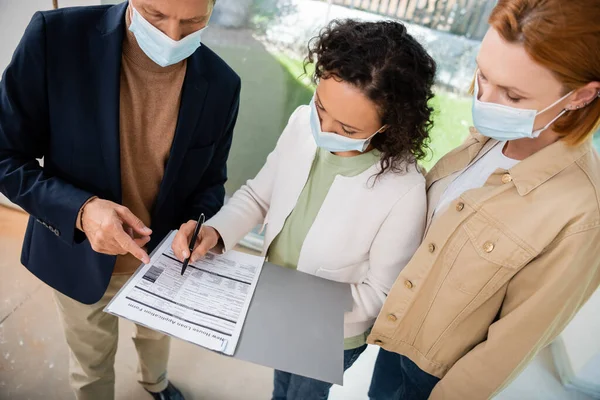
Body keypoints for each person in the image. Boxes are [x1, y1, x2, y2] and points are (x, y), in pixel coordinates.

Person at [172, 19, 436, 400]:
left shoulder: (404, 191)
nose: (323, 130)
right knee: (282, 387)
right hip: (275, 305)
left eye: (346, 130)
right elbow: (258, 197)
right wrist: (215, 232)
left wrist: (286, 303)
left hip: (333, 334)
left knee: (304, 394)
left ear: (391, 128)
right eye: (320, 106)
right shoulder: (301, 123)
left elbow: (379, 294)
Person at [0, 1, 241, 399]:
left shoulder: (222, 83)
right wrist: (80, 211)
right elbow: (7, 156)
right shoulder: (56, 39)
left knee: (157, 337)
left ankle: (155, 383)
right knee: (91, 360)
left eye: (194, 21)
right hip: (79, 254)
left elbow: (211, 182)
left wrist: (201, 225)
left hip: (166, 263)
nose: (173, 37)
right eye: (155, 15)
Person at [366, 0, 600, 399]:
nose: (485, 102)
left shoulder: (580, 214)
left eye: (512, 95)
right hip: (399, 336)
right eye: (482, 75)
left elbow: (509, 347)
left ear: (579, 97)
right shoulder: (493, 135)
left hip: (436, 377)